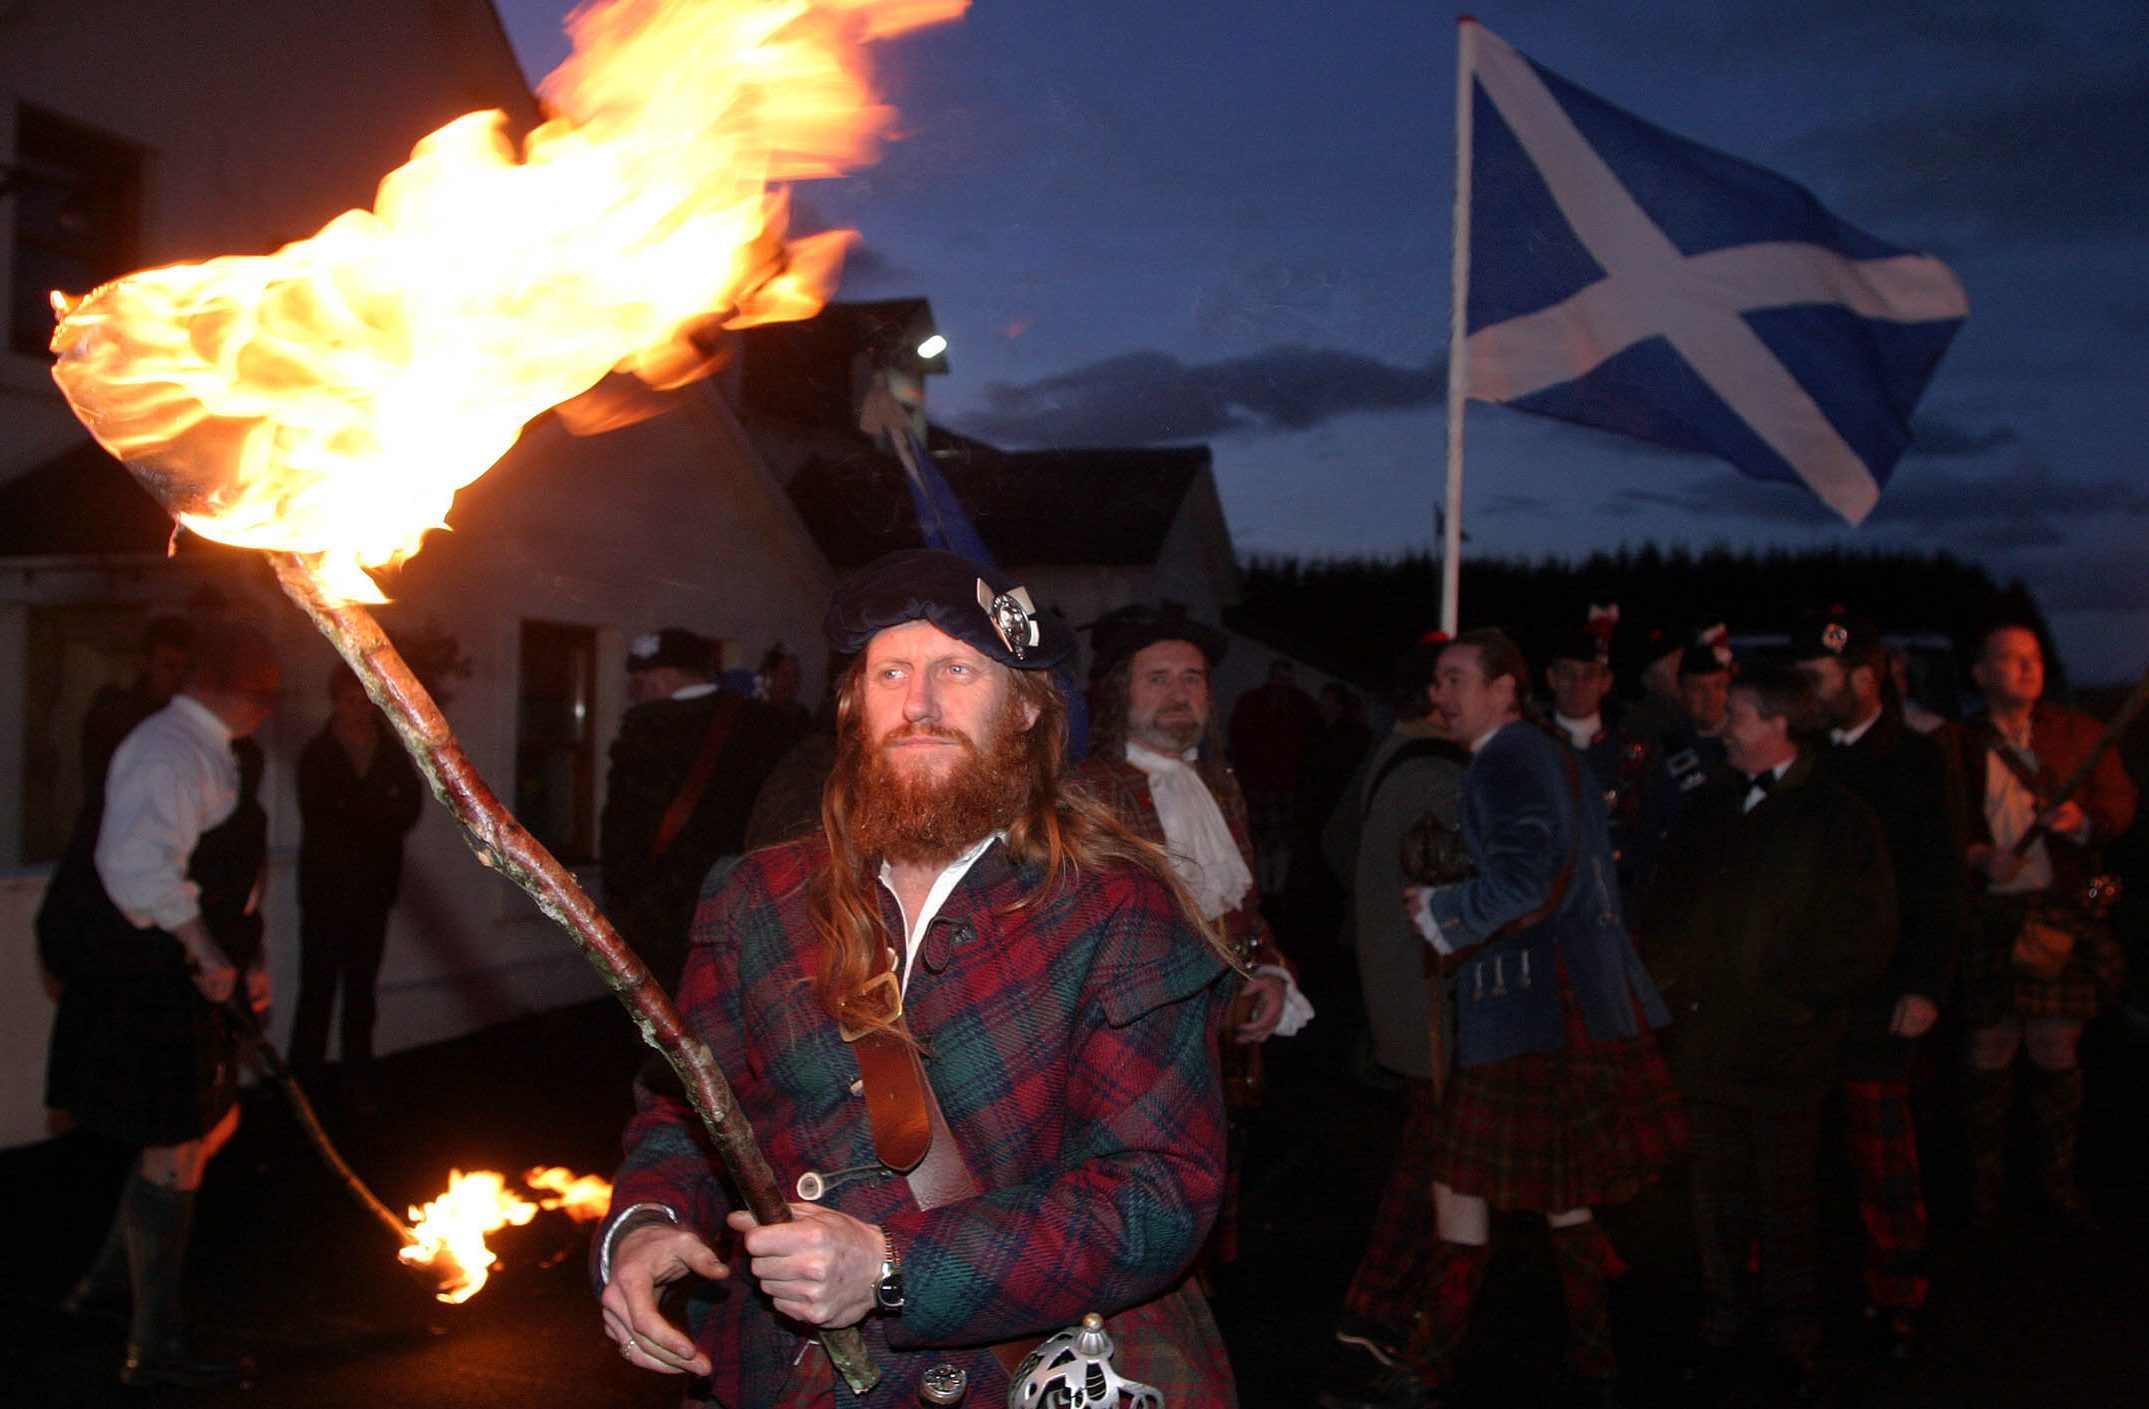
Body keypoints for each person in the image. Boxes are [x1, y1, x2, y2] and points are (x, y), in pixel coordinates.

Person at [595, 550, 1241, 1407]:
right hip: (783, 1376)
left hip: (996, 1376)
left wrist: (897, 1267)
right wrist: (647, 1223)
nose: (919, 704)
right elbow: (686, 1113)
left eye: (957, 670)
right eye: (891, 671)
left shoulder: (1115, 910)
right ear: (855, 705)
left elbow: (1158, 1192)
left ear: (1023, 710)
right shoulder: (756, 897)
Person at [1325, 629, 1686, 1409]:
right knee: (1566, 1197)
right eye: (1436, 683)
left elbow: (1528, 877)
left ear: (1504, 688)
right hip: (1565, 1006)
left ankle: (1423, 1373)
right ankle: (1597, 1366)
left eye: (1455, 681)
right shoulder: (1548, 751)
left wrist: (1444, 909)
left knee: (1458, 1184)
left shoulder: (1506, 757)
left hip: (1528, 1006)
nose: (1439, 698)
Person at [1642, 664, 1897, 1399]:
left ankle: (1793, 1335)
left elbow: (1861, 933)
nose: (1722, 725)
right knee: (1712, 1196)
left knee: (1786, 1199)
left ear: (1780, 725)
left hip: (1785, 1047)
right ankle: (1721, 1321)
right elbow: (1666, 906)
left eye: (1739, 714)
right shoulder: (1709, 807)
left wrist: (1788, 1000)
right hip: (1704, 1045)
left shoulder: (1837, 816)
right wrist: (1668, 987)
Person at [42, 622, 282, 1389]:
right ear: (228, 687)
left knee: (210, 1124)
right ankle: (155, 1347)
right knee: (174, 1145)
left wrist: (249, 956)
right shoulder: (168, 747)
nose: (265, 709)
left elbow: (232, 874)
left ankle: (108, 1284)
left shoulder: (216, 748)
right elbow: (137, 864)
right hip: (144, 974)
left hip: (184, 971)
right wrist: (208, 951)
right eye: (260, 695)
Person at [1069, 602, 1309, 1270]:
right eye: (1158, 678)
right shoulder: (1084, 794)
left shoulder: (1219, 784)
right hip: (1130, 1063)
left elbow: (1244, 909)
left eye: (1192, 678)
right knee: (1135, 1245)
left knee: (1209, 1238)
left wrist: (1269, 971)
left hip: (1216, 1059)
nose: (1179, 694)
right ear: (1120, 692)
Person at [1788, 609, 1966, 1358]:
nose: (1806, 691)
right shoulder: (1801, 761)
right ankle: (1810, 1295)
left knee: (1881, 1156)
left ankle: (1898, 1294)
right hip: (1805, 996)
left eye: (1817, 679)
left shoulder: (1919, 764)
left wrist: (1925, 985)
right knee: (1799, 1155)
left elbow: (1939, 884)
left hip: (1882, 994)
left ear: (1865, 678)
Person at [1935, 623, 2136, 1231]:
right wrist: (1973, 857)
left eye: (2033, 658)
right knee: (1990, 1048)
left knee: (2055, 1046)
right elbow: (1931, 830)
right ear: (1979, 672)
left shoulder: (2081, 734)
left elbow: (2119, 809)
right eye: (2009, 658)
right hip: (1991, 915)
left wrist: (2079, 821)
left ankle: (2058, 1181)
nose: (2026, 667)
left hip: (2059, 913)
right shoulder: (1954, 744)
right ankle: (1985, 1188)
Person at [1322, 636, 1468, 1371]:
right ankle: (1381, 1314)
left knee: (1429, 1155)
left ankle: (1393, 1308)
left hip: (1393, 976)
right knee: (1430, 1165)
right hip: (1420, 992)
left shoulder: (1395, 753)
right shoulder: (1432, 770)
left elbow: (1339, 842)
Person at [599, 627, 802, 993]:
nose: (639, 694)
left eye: (642, 683)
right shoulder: (765, 724)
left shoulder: (647, 730)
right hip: (747, 906)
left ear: (663, 676)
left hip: (664, 919)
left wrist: (623, 900)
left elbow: (623, 835)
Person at [290, 663, 424, 1112]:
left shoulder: (388, 752)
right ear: (335, 701)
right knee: (317, 989)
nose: (359, 710)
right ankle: (302, 1090)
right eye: (350, 700)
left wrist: (365, 815)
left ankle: (357, 1083)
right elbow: (325, 818)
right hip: (326, 891)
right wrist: (373, 814)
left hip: (373, 889)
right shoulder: (318, 754)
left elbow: (407, 807)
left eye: (365, 700)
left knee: (361, 990)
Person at [1541, 628, 1655, 882]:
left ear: (1607, 682)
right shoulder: (1530, 749)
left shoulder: (1631, 753)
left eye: (1590, 675)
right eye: (1567, 673)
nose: (1578, 685)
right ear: (1551, 678)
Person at [1625, 644, 1733, 897]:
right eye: (1699, 688)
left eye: (1719, 686)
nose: (1711, 697)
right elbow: (1649, 828)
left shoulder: (1750, 747)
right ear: (1682, 692)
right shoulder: (1664, 751)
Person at [1227, 658, 1318, 896]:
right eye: (1278, 678)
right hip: (1258, 782)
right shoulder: (1252, 702)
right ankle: (1265, 888)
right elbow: (1238, 738)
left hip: (1287, 784)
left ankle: (1278, 888)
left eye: (1286, 679)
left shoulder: (1299, 704)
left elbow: (1310, 740)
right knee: (1260, 838)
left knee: (1282, 839)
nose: (1282, 684)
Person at [81, 614, 194, 793]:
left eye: (186, 668)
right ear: (144, 662)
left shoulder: (192, 720)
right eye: (168, 665)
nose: (177, 677)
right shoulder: (115, 717)